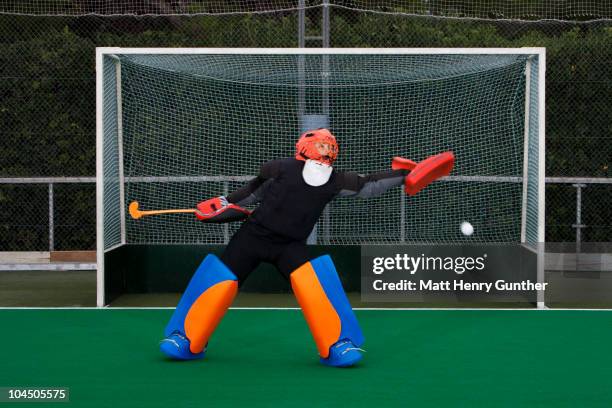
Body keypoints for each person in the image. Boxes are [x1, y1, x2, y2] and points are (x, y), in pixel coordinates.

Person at [160, 128, 412, 367]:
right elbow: (250, 194)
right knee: (220, 280)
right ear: (305, 147)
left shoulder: (335, 180)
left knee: (314, 284)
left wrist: (407, 175)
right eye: (320, 146)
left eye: (330, 148)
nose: (325, 152)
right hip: (252, 238)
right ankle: (185, 338)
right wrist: (222, 204)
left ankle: (337, 344)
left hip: (290, 246)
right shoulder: (279, 169)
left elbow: (369, 185)